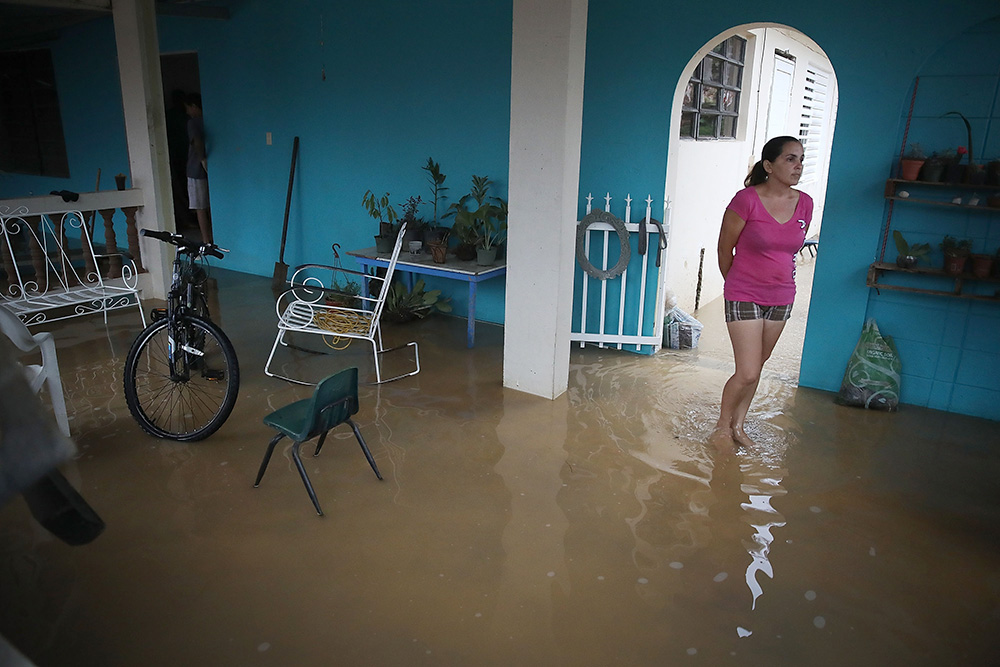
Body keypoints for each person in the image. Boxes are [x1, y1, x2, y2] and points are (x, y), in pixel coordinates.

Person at [714, 136, 813, 448]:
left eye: (800, 159)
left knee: (757, 366)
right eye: (790, 159)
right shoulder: (746, 200)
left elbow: (789, 251)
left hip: (782, 295)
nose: (798, 165)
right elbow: (724, 249)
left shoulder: (806, 203)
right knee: (746, 371)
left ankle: (739, 426)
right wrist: (737, 286)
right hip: (744, 292)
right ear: (769, 166)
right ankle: (720, 429)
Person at [184, 93, 213, 243]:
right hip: (210, 169)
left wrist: (202, 159)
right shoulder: (210, 119)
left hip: (196, 170)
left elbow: (197, 142)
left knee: (200, 207)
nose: (187, 111)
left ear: (194, 106)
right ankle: (212, 236)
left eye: (188, 108)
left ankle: (206, 240)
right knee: (209, 205)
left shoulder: (193, 123)